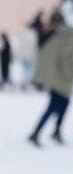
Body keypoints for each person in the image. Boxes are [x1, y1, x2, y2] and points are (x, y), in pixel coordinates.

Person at [28, 13, 73, 146]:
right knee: (53, 106)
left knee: (63, 104)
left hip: (58, 79)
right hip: (60, 79)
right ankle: (36, 133)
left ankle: (55, 131)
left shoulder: (58, 36)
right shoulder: (62, 36)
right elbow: (64, 59)